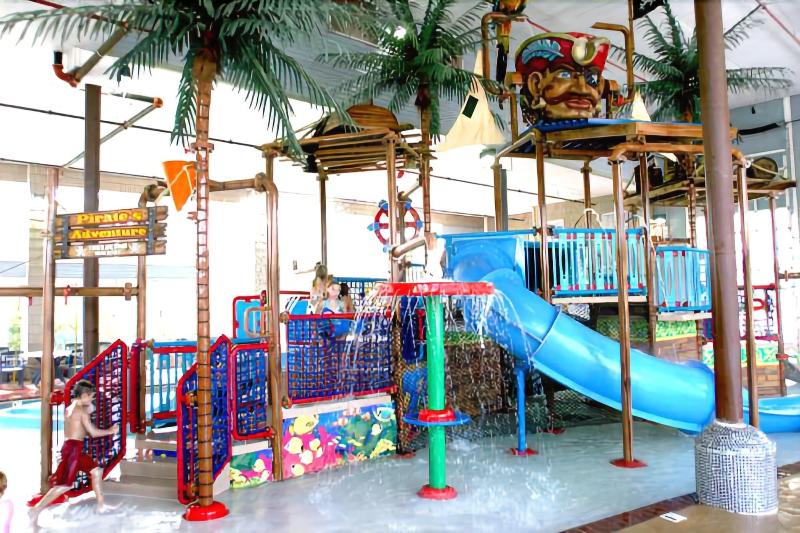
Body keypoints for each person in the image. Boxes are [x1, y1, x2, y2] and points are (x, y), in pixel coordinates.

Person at [31, 380, 118, 515]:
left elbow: (78, 430)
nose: (92, 399)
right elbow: (93, 433)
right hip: (73, 450)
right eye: (91, 397)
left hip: (72, 447)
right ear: (84, 395)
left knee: (96, 471)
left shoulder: (70, 407)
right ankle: (36, 509)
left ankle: (101, 506)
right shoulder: (81, 411)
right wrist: (111, 431)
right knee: (65, 486)